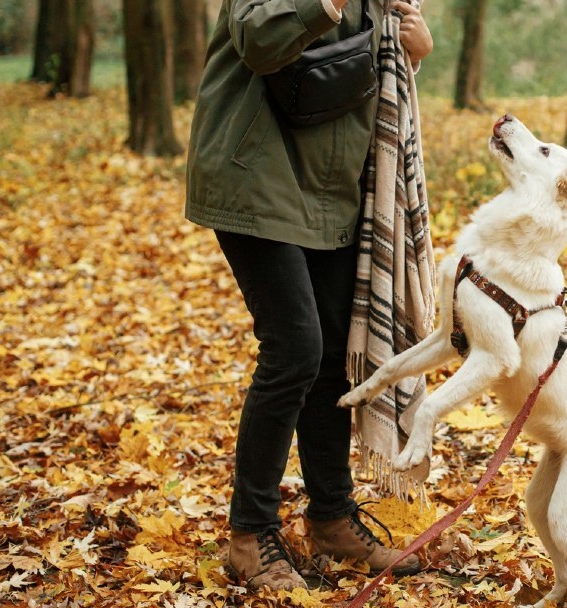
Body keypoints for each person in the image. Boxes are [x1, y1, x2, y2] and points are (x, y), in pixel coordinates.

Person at [184, 0, 433, 592]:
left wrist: (412, 49)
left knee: (330, 359)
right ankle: (249, 534)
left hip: (333, 189)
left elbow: (356, 73)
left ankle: (330, 518)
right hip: (255, 175)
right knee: (294, 349)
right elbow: (257, 40)